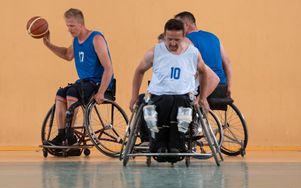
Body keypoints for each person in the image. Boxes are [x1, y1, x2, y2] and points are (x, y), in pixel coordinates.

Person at [129, 19, 219, 155]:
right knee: (164, 101)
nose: (172, 43)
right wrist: (133, 97)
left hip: (183, 97)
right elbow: (139, 71)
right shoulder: (154, 52)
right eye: (169, 39)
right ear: (165, 36)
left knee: (178, 102)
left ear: (183, 37)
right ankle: (158, 144)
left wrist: (203, 98)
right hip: (158, 96)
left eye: (176, 40)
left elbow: (204, 72)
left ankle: (176, 145)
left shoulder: (193, 53)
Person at [42, 8, 114, 146]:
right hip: (83, 83)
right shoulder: (76, 41)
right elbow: (67, 55)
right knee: (60, 93)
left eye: (72, 26)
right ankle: (62, 134)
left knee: (72, 92)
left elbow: (108, 68)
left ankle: (71, 136)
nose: (69, 29)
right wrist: (48, 44)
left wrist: (101, 92)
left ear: (81, 24)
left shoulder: (96, 38)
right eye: (67, 26)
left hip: (98, 83)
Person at [175, 11, 233, 97]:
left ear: (186, 25)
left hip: (202, 86)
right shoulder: (214, 37)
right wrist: (229, 87)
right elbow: (227, 62)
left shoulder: (186, 40)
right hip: (221, 86)